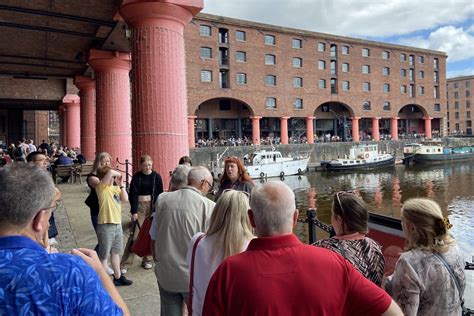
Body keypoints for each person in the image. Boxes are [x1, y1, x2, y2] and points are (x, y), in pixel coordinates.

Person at [203, 181, 403, 316]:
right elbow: (392, 311)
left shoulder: (227, 273)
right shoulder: (332, 262)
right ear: (296, 217)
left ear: (251, 219)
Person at [0, 163, 129, 315]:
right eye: (51, 210)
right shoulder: (69, 273)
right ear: (39, 219)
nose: (49, 223)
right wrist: (100, 273)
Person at [384, 198, 466, 316]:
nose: (401, 224)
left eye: (402, 220)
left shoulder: (408, 263)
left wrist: (388, 283)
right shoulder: (454, 247)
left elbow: (403, 313)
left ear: (412, 228)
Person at [152, 166, 215, 316]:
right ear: (203, 183)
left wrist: (157, 261)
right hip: (193, 277)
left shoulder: (163, 199)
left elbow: (153, 237)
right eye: (210, 186)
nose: (209, 189)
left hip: (166, 272)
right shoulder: (209, 206)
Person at [186, 189, 254, 316]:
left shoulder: (197, 242)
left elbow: (191, 270)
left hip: (201, 311)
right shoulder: (253, 246)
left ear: (217, 212)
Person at [313, 190, 385, 286]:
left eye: (332, 214)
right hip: (374, 300)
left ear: (339, 219)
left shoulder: (324, 248)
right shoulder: (374, 246)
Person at [121, 154, 163, 271]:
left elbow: (159, 194)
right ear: (141, 165)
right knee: (135, 235)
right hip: (139, 207)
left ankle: (147, 259)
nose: (147, 167)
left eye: (149, 165)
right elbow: (133, 194)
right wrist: (134, 210)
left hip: (152, 207)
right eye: (145, 165)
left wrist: (157, 210)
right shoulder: (137, 177)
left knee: (150, 233)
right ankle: (126, 263)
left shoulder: (156, 177)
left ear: (152, 164)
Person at [95, 166, 132, 286]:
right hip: (106, 224)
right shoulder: (101, 187)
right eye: (111, 177)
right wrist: (118, 173)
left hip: (117, 224)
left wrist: (121, 185)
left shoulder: (115, 188)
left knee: (115, 252)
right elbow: (110, 172)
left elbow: (125, 199)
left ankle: (117, 277)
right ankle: (103, 281)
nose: (113, 179)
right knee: (104, 255)